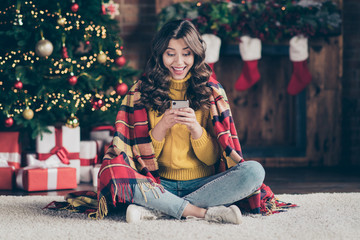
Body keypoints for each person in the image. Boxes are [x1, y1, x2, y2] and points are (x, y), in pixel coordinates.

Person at [97, 19, 265, 224]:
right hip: (157, 183)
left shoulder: (211, 91)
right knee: (113, 170)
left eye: (186, 54)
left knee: (254, 172)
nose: (179, 62)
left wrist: (196, 129)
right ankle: (201, 212)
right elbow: (136, 158)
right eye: (170, 54)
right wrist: (161, 127)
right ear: (160, 55)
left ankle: (160, 209)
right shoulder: (140, 93)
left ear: (196, 53)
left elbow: (214, 159)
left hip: (204, 184)